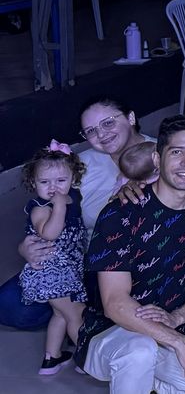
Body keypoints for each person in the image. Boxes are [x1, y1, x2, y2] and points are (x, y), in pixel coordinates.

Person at [79, 116, 185, 394]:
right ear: (157, 158)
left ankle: (155, 382)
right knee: (139, 351)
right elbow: (115, 303)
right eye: (177, 152)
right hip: (112, 330)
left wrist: (176, 319)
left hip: (174, 324)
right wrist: (177, 342)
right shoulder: (121, 212)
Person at [4, 98, 155, 333]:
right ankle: (80, 314)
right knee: (10, 306)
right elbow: (46, 208)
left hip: (135, 260)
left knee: (121, 303)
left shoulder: (162, 156)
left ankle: (82, 316)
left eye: (108, 123)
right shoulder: (80, 165)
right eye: (91, 131)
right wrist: (25, 247)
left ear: (131, 118)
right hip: (77, 257)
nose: (101, 134)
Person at [20, 143, 86, 375]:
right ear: (33, 183)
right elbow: (49, 233)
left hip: (68, 269)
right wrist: (58, 207)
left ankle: (52, 358)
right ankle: (88, 360)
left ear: (73, 179)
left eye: (60, 180)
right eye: (44, 182)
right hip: (51, 271)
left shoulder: (72, 197)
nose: (53, 188)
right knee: (75, 313)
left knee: (60, 314)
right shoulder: (40, 207)